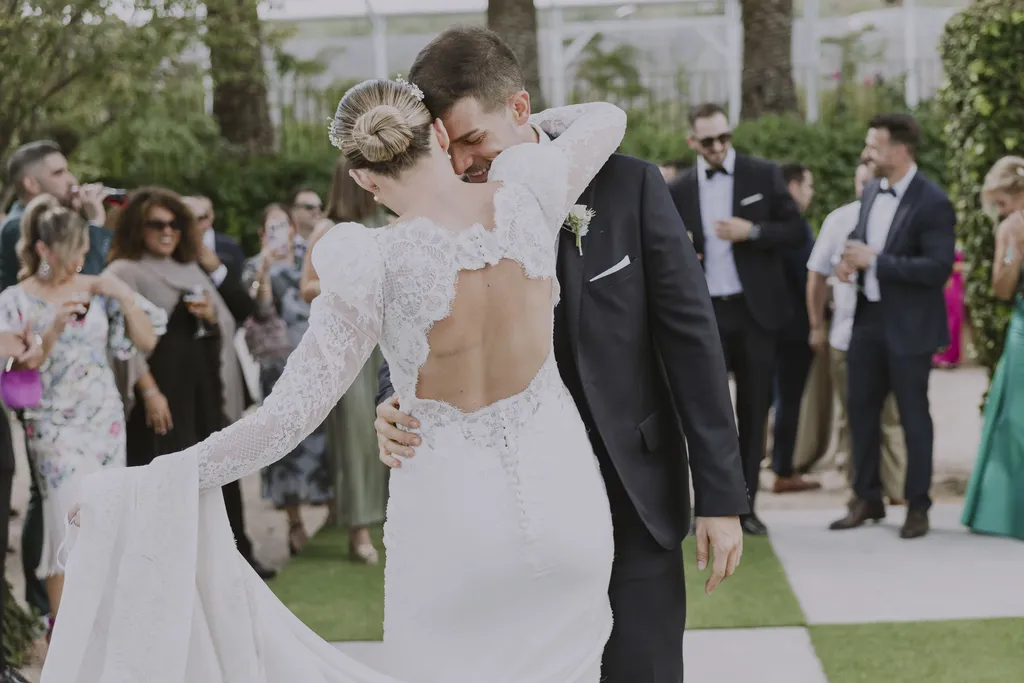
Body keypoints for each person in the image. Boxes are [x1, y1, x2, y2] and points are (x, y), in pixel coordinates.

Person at [46, 78, 687, 681]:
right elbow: (606, 117)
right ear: (440, 133)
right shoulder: (530, 195)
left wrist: (149, 483)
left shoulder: (370, 262)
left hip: (453, 525)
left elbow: (284, 421)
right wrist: (494, 134)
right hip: (566, 509)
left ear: (361, 177)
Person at [375, 27, 746, 683]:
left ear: (519, 108)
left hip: (631, 492)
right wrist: (391, 398)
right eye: (447, 147)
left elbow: (693, 344)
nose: (462, 164)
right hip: (507, 513)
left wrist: (720, 495)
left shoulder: (629, 186)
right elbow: (412, 328)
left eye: (472, 139)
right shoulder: (435, 217)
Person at [0, 194, 163, 642]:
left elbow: (147, 340)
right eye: (71, 250)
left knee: (107, 518)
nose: (78, 260)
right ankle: (65, 633)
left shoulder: (96, 288)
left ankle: (107, 629)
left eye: (83, 250)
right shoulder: (15, 300)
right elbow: (22, 363)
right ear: (43, 250)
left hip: (103, 419)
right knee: (64, 519)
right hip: (52, 424)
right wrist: (52, 327)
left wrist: (123, 295)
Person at [668, 102, 805, 536]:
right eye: (708, 141)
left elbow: (796, 231)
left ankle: (746, 508)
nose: (718, 147)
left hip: (754, 312)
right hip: (703, 314)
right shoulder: (678, 189)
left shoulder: (762, 174)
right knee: (704, 412)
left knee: (753, 409)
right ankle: (707, 507)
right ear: (693, 142)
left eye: (724, 138)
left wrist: (753, 232)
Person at [0, 140, 114, 623]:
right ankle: (50, 609)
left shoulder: (57, 222)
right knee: (55, 501)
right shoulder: (21, 228)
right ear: (31, 182)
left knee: (65, 499)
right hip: (46, 392)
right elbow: (68, 284)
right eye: (59, 172)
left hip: (91, 402)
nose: (71, 179)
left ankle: (63, 609)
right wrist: (96, 228)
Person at [830, 113, 956, 539]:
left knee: (913, 416)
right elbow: (862, 244)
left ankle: (918, 505)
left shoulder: (933, 201)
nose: (867, 153)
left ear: (900, 151)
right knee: (860, 412)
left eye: (874, 145)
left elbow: (938, 268)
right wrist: (847, 264)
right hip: (867, 320)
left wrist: (877, 262)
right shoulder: (870, 191)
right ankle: (866, 498)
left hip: (910, 327)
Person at [301, 157, 389, 564]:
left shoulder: (391, 221)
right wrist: (348, 286)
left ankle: (396, 518)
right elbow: (306, 286)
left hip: (389, 344)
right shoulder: (328, 230)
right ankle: (358, 531)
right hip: (349, 348)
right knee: (357, 437)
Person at [806, 161, 906, 503]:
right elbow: (816, 274)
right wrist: (816, 325)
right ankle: (858, 489)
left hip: (892, 334)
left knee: (892, 416)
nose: (867, 188)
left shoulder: (899, 216)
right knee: (853, 416)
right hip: (845, 335)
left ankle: (896, 488)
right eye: (862, 182)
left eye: (872, 181)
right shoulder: (839, 220)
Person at [243, 205, 330, 556]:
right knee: (285, 443)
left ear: (293, 230)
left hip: (320, 360)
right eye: (272, 227)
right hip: (279, 368)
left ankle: (333, 510)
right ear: (262, 233)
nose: (279, 233)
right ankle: (294, 522)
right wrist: (264, 270)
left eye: (284, 226)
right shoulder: (254, 266)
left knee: (325, 440)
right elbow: (261, 310)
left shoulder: (312, 256)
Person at [961, 155, 1024, 541]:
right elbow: (1002, 290)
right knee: (1013, 421)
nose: (1001, 210)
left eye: (1003, 202)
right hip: (1022, 328)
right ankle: (1008, 514)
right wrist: (1013, 250)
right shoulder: (1008, 228)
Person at [770, 162, 821, 493]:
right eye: (808, 186)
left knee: (771, 400)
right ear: (793, 187)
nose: (811, 193)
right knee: (788, 400)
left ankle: (774, 463)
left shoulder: (767, 224)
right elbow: (808, 276)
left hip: (768, 325)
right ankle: (783, 470)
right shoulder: (794, 229)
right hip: (794, 327)